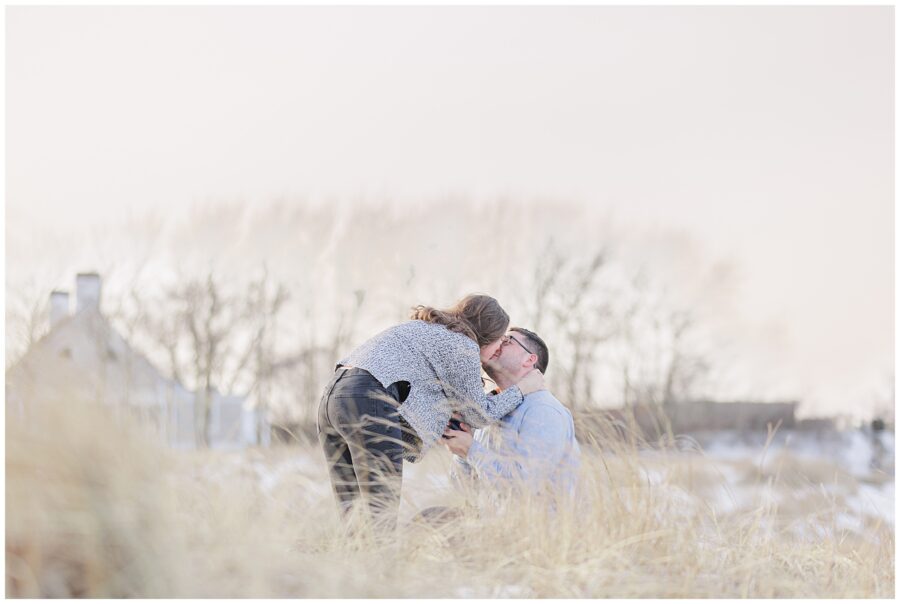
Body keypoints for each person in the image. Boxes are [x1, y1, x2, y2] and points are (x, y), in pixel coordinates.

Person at [316, 295, 544, 528]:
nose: (498, 350)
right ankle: (381, 563)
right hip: (367, 401)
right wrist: (522, 389)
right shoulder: (462, 344)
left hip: (331, 400)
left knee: (352, 513)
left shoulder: (427, 329)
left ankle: (351, 562)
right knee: (380, 514)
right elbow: (478, 414)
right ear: (488, 333)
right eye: (501, 341)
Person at [442, 327, 581, 502]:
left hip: (532, 528)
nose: (498, 343)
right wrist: (462, 452)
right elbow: (465, 492)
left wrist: (471, 450)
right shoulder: (489, 411)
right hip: (490, 527)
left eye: (507, 340)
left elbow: (525, 487)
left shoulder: (543, 410)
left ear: (529, 359)